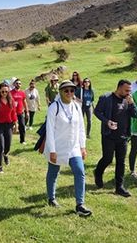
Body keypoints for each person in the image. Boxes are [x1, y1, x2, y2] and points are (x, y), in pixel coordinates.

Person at [44, 80, 91, 217]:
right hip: (57, 147)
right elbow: (50, 130)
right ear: (60, 92)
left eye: (72, 90)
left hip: (74, 147)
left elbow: (81, 128)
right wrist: (52, 150)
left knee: (80, 171)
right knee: (53, 172)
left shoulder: (77, 106)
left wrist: (83, 147)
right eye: (66, 91)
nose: (69, 93)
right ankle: (51, 198)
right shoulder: (54, 107)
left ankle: (80, 205)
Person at [93, 79, 137, 197]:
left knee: (121, 162)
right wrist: (107, 121)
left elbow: (135, 115)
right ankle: (98, 172)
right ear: (119, 88)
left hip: (123, 136)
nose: (129, 93)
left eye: (130, 90)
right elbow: (97, 112)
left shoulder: (128, 100)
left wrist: (132, 103)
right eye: (126, 90)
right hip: (108, 135)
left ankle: (119, 187)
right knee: (107, 159)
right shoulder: (106, 98)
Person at [0, 82, 17, 173]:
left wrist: (16, 125)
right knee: (1, 145)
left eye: (6, 91)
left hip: (9, 125)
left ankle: (6, 155)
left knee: (8, 146)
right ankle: (0, 166)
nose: (4, 93)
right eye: (2, 92)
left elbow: (14, 113)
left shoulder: (11, 101)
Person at [10, 78, 29, 144]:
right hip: (12, 113)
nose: (18, 84)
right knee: (9, 127)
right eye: (17, 83)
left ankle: (22, 140)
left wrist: (27, 112)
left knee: (22, 126)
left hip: (20, 112)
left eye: (19, 83)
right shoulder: (11, 93)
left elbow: (24, 102)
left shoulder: (22, 93)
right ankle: (8, 140)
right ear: (14, 84)